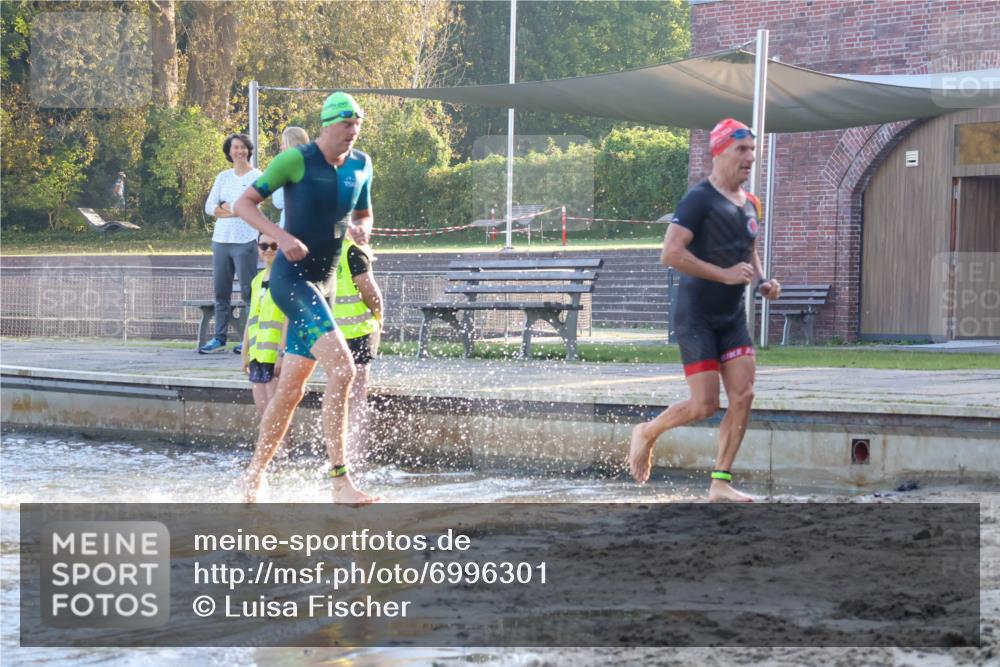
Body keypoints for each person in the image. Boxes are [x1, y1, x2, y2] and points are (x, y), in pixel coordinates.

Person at [233, 92, 378, 505]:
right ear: (327, 125)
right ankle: (339, 481)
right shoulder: (295, 160)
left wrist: (361, 229)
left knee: (292, 390)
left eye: (358, 125)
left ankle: (253, 476)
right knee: (345, 370)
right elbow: (245, 203)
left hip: (325, 285)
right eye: (346, 125)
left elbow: (363, 212)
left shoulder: (361, 165)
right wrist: (279, 236)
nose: (353, 133)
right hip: (291, 281)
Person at [627, 118, 782, 502]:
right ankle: (647, 432)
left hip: (732, 317)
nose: (750, 159)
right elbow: (671, 254)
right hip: (696, 315)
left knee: (743, 395)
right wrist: (724, 274)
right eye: (741, 151)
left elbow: (749, 248)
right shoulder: (699, 199)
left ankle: (720, 483)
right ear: (719, 152)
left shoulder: (752, 204)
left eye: (752, 150)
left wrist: (762, 281)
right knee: (705, 405)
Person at [201, 133, 262, 355]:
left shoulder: (258, 176)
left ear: (249, 150)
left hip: (245, 241)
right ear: (229, 151)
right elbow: (210, 207)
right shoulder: (223, 177)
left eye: (243, 147)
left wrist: (229, 207)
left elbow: (252, 207)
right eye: (235, 147)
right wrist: (236, 210)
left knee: (248, 293)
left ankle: (249, 339)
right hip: (221, 242)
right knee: (221, 293)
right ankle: (219, 338)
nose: (239, 151)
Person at [331, 236, 383, 464]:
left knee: (341, 395)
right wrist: (380, 317)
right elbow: (370, 291)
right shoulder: (352, 251)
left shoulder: (321, 246)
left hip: (335, 333)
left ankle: (344, 454)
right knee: (355, 396)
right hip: (357, 330)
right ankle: (354, 454)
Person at [241, 232, 289, 417]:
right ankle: (270, 447)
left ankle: (286, 447)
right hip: (258, 356)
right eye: (264, 246)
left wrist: (281, 354)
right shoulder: (257, 280)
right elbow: (252, 319)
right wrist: (245, 352)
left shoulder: (285, 279)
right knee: (263, 412)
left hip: (274, 356)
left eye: (274, 246)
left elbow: (287, 320)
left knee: (278, 415)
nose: (269, 250)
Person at [271, 127, 310, 229]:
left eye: (284, 143)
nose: (281, 147)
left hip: (293, 227)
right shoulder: (317, 164)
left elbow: (278, 202)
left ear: (291, 144)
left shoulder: (284, 168)